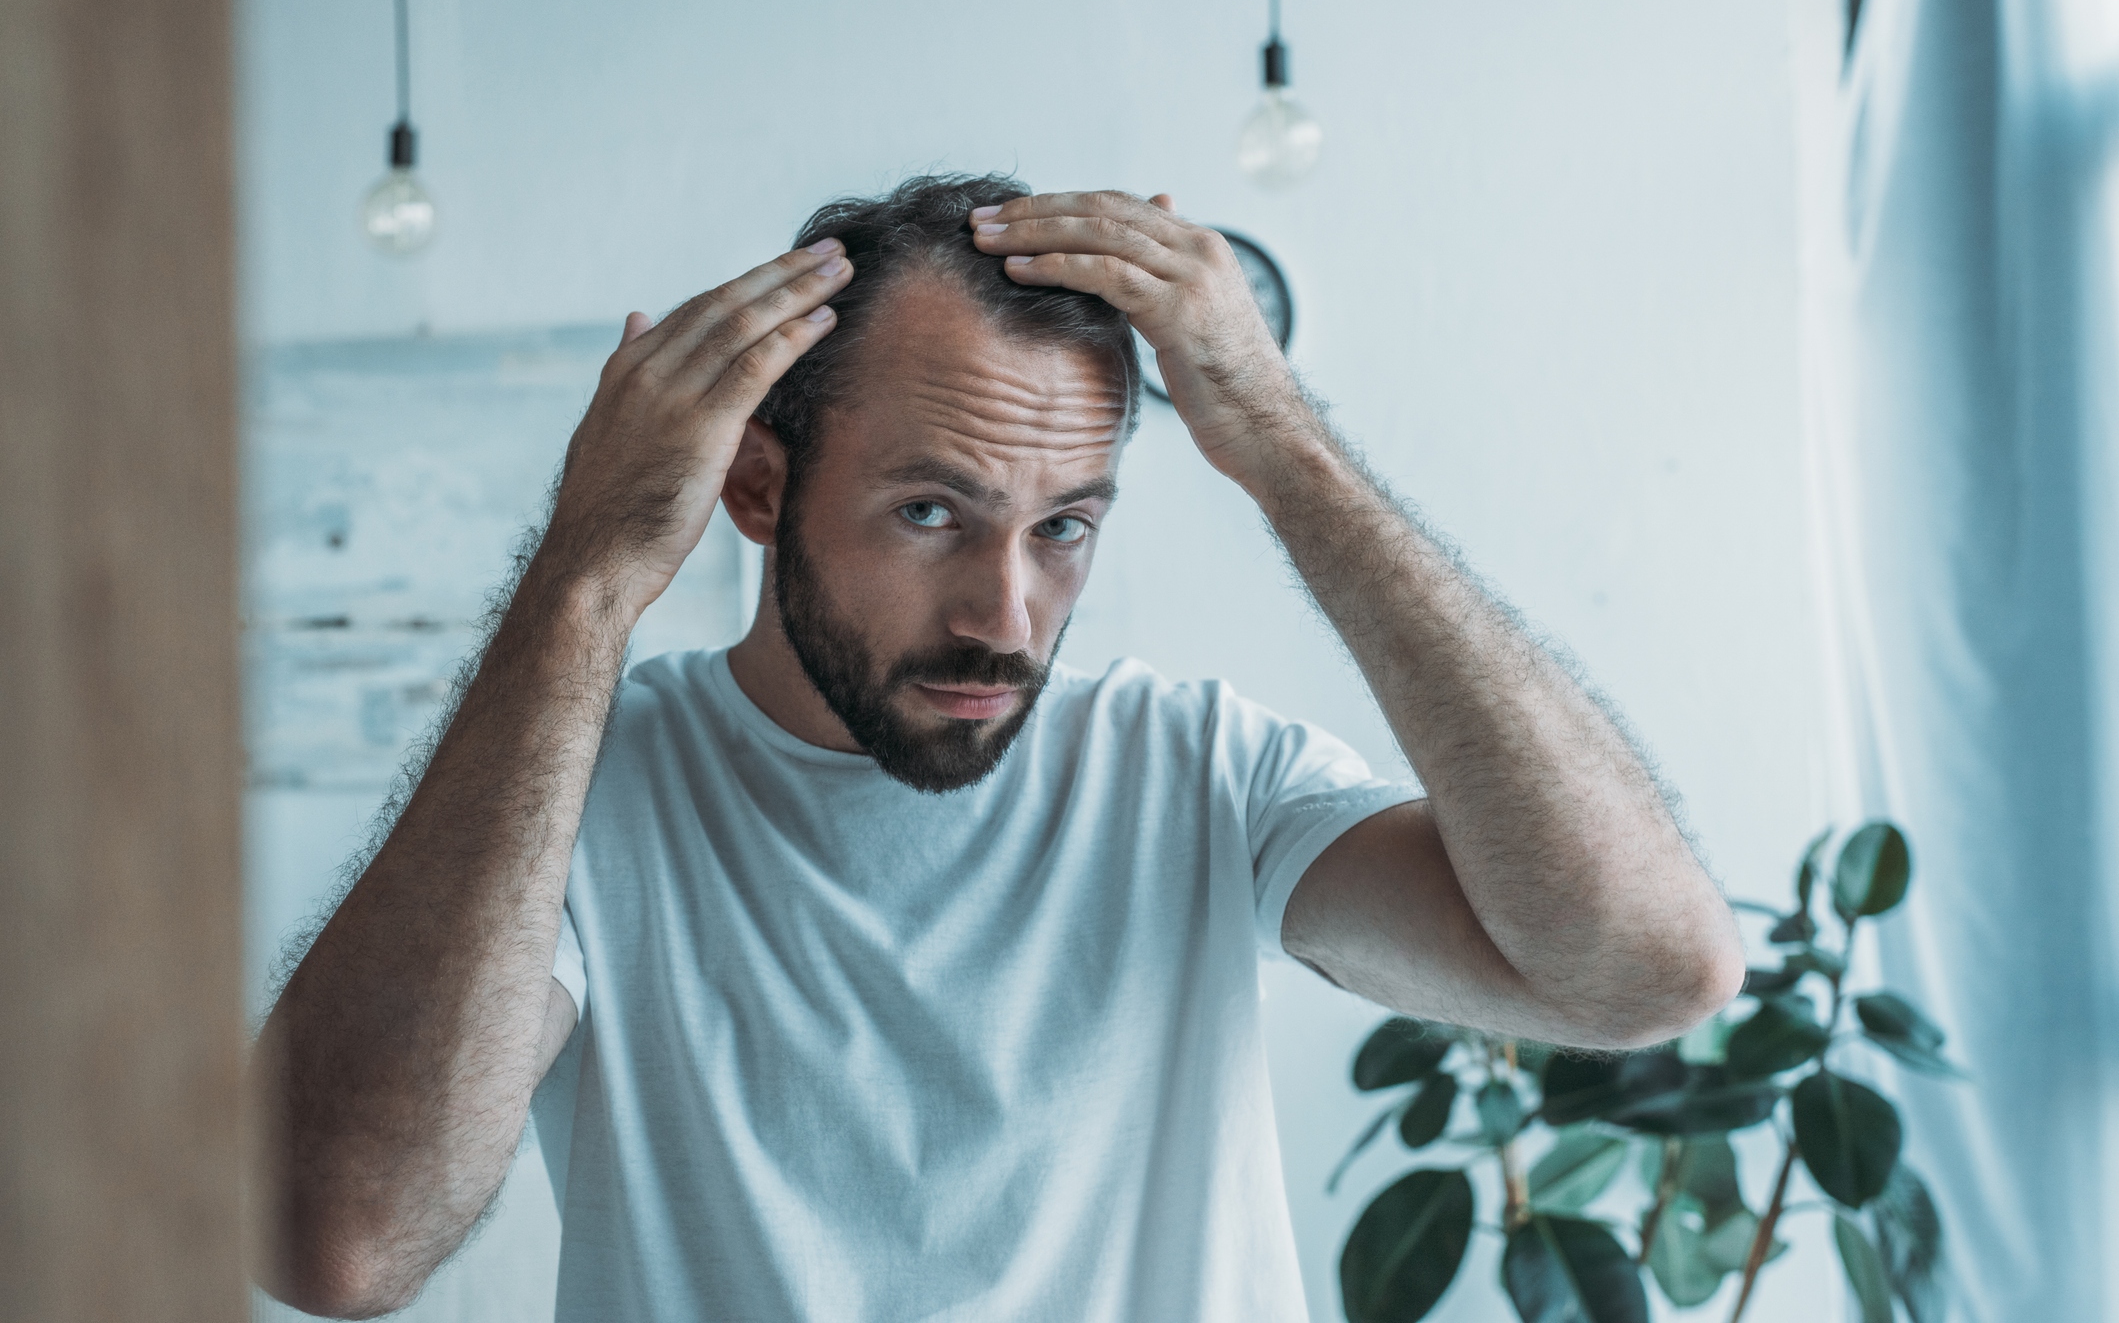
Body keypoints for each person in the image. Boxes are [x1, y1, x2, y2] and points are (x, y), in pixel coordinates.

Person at [255, 174, 1744, 1321]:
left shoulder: (1199, 772)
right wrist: (584, 575)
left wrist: (1284, 447)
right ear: (758, 489)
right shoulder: (586, 792)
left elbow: (1643, 970)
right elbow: (337, 1236)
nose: (1007, 613)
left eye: (1065, 526)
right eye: (930, 512)